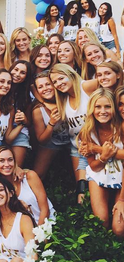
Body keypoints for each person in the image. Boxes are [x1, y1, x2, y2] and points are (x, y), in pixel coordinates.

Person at [49, 63, 98, 201]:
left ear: (70, 74)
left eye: (61, 78)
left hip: (98, 146)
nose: (58, 83)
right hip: (78, 149)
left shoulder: (85, 86)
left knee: (101, 186)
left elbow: (112, 78)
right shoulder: (62, 99)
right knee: (82, 192)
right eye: (55, 82)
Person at [78, 88, 124, 237]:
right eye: (98, 107)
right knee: (101, 222)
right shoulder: (87, 132)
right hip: (100, 174)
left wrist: (96, 148)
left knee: (119, 229)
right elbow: (94, 167)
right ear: (92, 108)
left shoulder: (121, 127)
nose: (102, 111)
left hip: (122, 176)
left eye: (107, 106)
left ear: (114, 108)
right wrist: (103, 156)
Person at [0, 146, 53, 225]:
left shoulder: (29, 177)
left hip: (46, 224)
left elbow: (45, 209)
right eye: (1, 161)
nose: (7, 164)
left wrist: (39, 230)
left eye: (10, 160)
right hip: (24, 229)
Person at [31, 72, 70, 180]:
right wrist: (51, 123)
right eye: (40, 87)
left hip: (73, 140)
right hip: (52, 142)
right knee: (38, 175)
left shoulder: (68, 99)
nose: (45, 88)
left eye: (48, 84)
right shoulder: (38, 110)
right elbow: (42, 140)